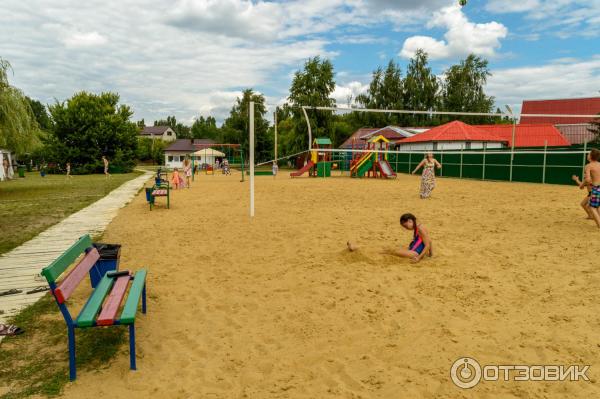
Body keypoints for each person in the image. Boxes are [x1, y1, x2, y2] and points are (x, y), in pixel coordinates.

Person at [347, 213, 432, 263]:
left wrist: (419, 258)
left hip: (414, 253)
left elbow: (427, 244)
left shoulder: (420, 228)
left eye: (405, 226)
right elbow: (429, 240)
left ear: (410, 221)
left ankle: (357, 248)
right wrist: (431, 254)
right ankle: (358, 247)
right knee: (388, 249)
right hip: (413, 251)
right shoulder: (419, 227)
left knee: (389, 251)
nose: (405, 228)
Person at [583, 148, 600, 228]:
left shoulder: (588, 166)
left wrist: (585, 182)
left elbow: (588, 179)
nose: (587, 154)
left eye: (588, 153)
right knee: (597, 206)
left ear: (591, 156)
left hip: (596, 188)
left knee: (592, 207)